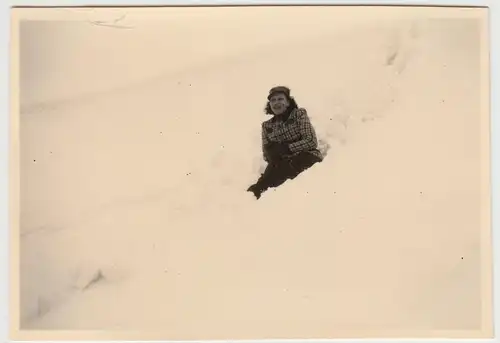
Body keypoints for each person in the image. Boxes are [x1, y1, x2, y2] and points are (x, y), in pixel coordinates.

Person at [247, 86, 323, 199]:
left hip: (306, 158)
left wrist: (287, 148)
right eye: (273, 100)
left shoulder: (299, 114)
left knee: (286, 170)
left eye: (280, 99)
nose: (276, 103)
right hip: (282, 164)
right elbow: (266, 155)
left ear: (288, 102)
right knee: (266, 178)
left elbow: (311, 141)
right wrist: (272, 153)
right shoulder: (267, 126)